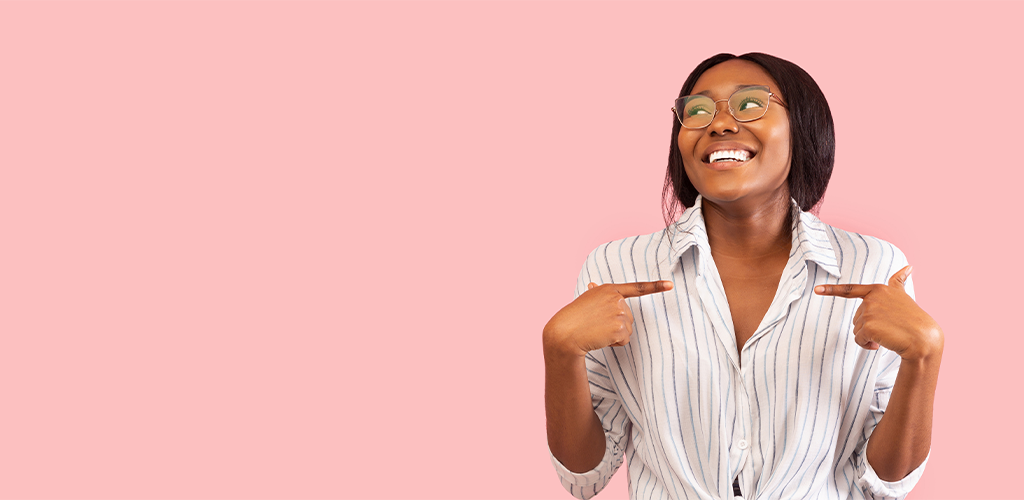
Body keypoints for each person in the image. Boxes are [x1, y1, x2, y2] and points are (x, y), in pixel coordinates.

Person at [542, 53, 943, 500]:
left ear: (803, 128)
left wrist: (923, 357)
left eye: (751, 104)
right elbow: (584, 476)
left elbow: (886, 481)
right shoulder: (614, 270)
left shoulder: (874, 268)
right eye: (696, 110)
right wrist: (560, 352)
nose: (719, 124)